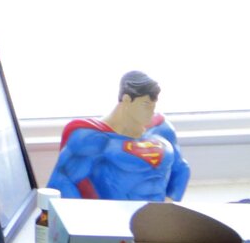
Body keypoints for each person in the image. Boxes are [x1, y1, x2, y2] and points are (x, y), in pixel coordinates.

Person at [47, 70, 190, 202]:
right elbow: (61, 181)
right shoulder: (93, 139)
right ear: (127, 100)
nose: (151, 111)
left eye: (153, 105)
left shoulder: (161, 129)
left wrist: (171, 201)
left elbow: (181, 168)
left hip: (156, 221)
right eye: (146, 105)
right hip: (111, 223)